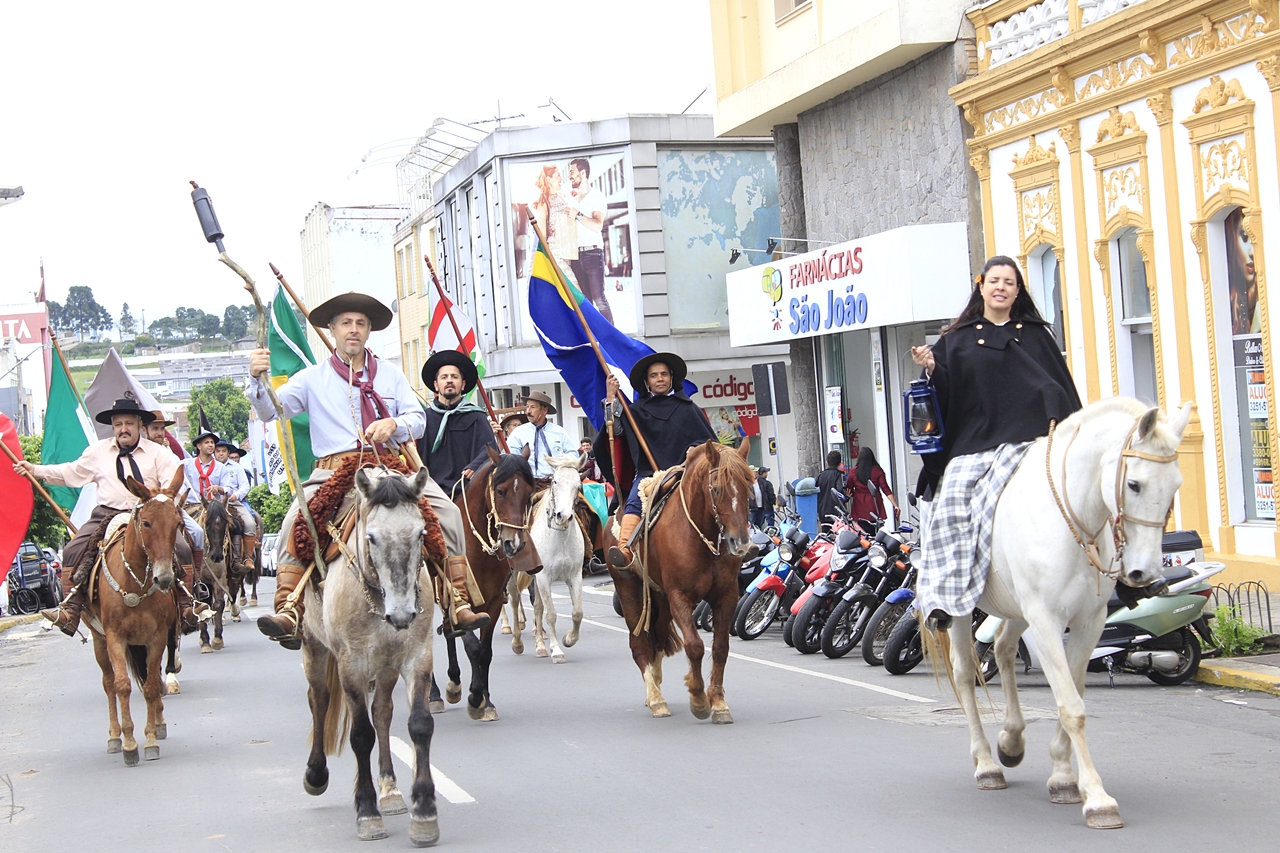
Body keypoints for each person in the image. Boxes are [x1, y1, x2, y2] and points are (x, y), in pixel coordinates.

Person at [247, 292, 488, 649]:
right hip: (333, 472)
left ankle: (457, 600)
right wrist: (256, 380)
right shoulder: (311, 378)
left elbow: (418, 420)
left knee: (449, 513)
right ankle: (289, 607)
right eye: (346, 323)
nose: (353, 330)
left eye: (360, 323)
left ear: (369, 330)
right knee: (293, 520)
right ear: (333, 329)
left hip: (388, 467)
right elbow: (271, 411)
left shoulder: (390, 374)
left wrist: (393, 424)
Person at [910, 256, 1082, 630]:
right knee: (953, 495)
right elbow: (944, 395)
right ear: (982, 286)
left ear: (1017, 290)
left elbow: (1057, 385)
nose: (1001, 287)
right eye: (995, 281)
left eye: (1009, 282)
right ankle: (943, 595)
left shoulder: (1037, 335)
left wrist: (1056, 412)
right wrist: (932, 367)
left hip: (1031, 437)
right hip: (977, 441)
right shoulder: (956, 339)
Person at [13, 397, 206, 635]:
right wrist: (35, 470)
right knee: (73, 549)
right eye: (118, 424)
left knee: (183, 548)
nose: (123, 429)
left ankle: (188, 606)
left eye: (128, 423)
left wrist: (160, 509)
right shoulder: (98, 452)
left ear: (139, 426)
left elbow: (171, 488)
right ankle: (70, 610)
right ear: (113, 427)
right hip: (107, 513)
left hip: (150, 515)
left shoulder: (160, 454)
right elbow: (70, 472)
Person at [599, 353, 718, 574]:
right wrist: (611, 398)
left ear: (671, 378)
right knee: (635, 500)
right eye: (654, 375)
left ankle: (737, 542)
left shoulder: (688, 408)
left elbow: (709, 442)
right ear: (647, 382)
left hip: (685, 471)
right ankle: (625, 549)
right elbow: (614, 431)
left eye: (664, 374)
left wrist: (696, 449)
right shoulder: (635, 412)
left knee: (720, 495)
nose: (659, 379)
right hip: (649, 474)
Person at [418, 351, 500, 496]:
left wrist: (476, 466)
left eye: (454, 377)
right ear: (436, 385)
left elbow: (490, 450)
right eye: (444, 377)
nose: (449, 380)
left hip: (468, 490)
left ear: (462, 385)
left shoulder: (476, 416)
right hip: (431, 492)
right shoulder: (423, 419)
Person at [567, 157, 613, 323]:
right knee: (585, 303)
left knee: (599, 299)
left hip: (593, 254)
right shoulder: (573, 199)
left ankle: (611, 340)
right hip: (576, 256)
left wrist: (578, 215)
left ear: (583, 173)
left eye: (572, 172)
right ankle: (593, 340)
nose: (569, 176)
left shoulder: (597, 197)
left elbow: (597, 225)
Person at [213, 438, 260, 570]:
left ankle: (247, 557)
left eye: (223, 451)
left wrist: (236, 495)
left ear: (228, 452)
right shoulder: (211, 467)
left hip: (233, 502)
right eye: (218, 451)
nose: (221, 454)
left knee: (250, 523)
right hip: (214, 504)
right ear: (214, 453)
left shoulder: (237, 468)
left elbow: (245, 486)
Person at [507, 391, 575, 480]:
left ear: (544, 410)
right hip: (528, 484)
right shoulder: (518, 433)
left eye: (533, 407)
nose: (528, 411)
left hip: (556, 482)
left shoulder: (559, 432)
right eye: (527, 407)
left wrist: (563, 463)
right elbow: (510, 458)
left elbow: (573, 454)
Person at [846, 447, 898, 525]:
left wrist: (854, 494)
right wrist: (895, 505)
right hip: (874, 503)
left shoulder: (854, 471)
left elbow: (849, 489)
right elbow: (885, 489)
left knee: (862, 532)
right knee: (875, 531)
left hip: (859, 504)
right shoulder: (878, 471)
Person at [815, 450, 845, 527]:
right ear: (839, 463)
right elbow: (840, 491)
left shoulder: (820, 476)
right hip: (836, 513)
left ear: (827, 462)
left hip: (823, 512)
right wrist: (846, 497)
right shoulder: (839, 475)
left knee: (825, 535)